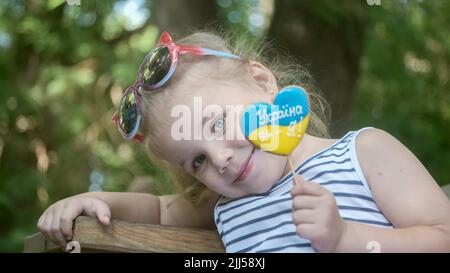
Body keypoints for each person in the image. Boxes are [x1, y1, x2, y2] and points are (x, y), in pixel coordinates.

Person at [37, 31, 450, 253]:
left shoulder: (363, 154)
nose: (219, 160)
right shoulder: (228, 205)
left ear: (261, 82)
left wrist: (346, 240)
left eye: (217, 123)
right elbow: (161, 211)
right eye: (196, 161)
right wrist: (95, 202)